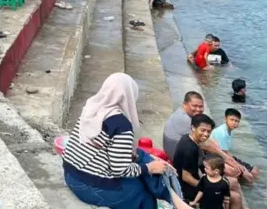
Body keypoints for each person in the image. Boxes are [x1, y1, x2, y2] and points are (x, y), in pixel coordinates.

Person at [62, 73, 187, 209]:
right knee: (144, 191)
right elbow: (120, 170)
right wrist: (149, 168)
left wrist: (150, 160)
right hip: (91, 187)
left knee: (141, 155)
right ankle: (173, 197)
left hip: (70, 175)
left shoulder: (91, 108)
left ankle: (173, 198)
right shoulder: (121, 125)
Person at [172, 114, 243, 209]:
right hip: (187, 190)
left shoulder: (188, 138)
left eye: (209, 131)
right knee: (235, 197)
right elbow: (186, 178)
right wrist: (210, 186)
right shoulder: (189, 149)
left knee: (234, 181)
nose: (206, 134)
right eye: (203, 130)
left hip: (191, 182)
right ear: (193, 128)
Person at [210, 108, 260, 183]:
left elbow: (225, 151)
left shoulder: (227, 130)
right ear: (225, 119)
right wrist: (238, 165)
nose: (234, 123)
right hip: (217, 158)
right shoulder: (221, 133)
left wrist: (236, 162)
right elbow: (223, 154)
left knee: (255, 170)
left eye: (236, 121)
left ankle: (255, 186)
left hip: (223, 155)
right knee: (249, 176)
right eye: (231, 120)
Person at [163, 92, 205, 160]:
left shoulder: (180, 111)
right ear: (185, 104)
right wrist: (222, 154)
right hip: (178, 159)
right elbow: (204, 144)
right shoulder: (185, 119)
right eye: (194, 106)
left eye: (201, 106)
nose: (198, 109)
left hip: (175, 150)